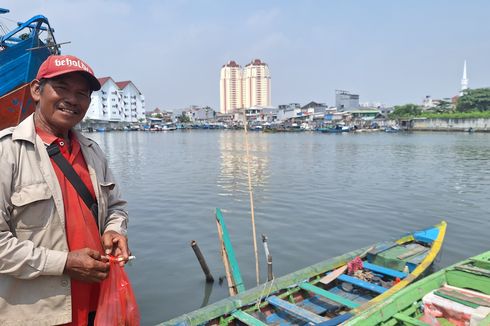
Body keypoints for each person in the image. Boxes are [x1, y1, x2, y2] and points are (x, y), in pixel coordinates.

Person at [0, 55, 131, 325]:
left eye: (82, 93)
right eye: (62, 88)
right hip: (39, 314)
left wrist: (115, 230)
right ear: (37, 90)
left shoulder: (93, 152)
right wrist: (65, 263)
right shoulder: (7, 152)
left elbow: (116, 207)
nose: (72, 99)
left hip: (100, 306)